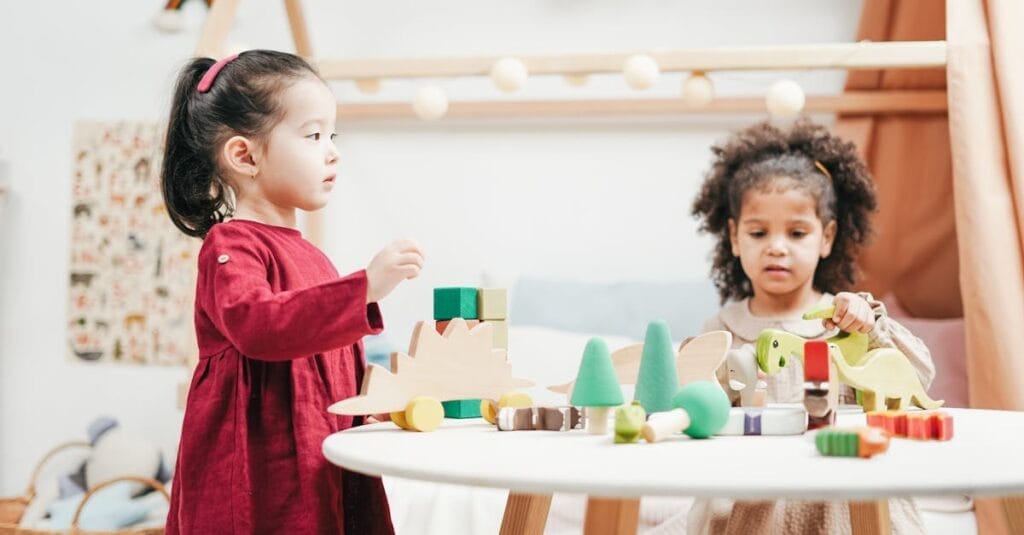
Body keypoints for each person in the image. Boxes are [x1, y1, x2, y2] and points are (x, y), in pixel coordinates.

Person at [160, 50, 424, 534]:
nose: (332, 151)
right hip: (262, 469)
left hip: (322, 458)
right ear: (245, 155)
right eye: (313, 135)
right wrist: (364, 286)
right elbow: (262, 327)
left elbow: (338, 367)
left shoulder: (314, 258)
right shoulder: (231, 246)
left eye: (333, 135)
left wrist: (388, 408)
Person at [685, 119, 935, 534]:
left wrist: (871, 327)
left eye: (797, 232)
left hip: (841, 499)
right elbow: (697, 413)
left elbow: (919, 381)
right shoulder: (721, 330)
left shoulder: (848, 318)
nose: (777, 246)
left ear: (826, 237)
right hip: (754, 502)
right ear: (733, 237)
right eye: (758, 232)